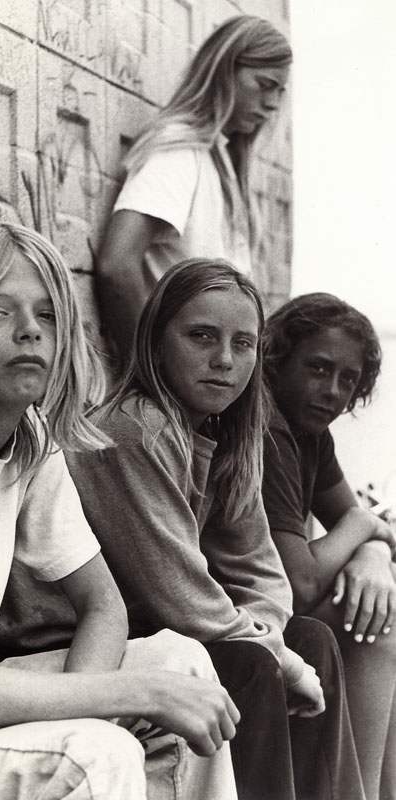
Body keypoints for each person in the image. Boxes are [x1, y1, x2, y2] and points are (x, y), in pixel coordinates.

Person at [0, 223, 240, 800]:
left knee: (178, 661)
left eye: (47, 316)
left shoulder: (27, 442)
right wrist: (121, 703)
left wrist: (92, 710)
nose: (28, 334)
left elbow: (103, 606)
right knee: (99, 755)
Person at [67, 259, 367, 800]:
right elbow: (178, 594)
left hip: (165, 627)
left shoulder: (227, 432)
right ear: (157, 341)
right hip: (85, 641)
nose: (224, 361)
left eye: (243, 343)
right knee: (250, 662)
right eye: (201, 336)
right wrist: (276, 656)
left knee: (310, 637)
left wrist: (279, 643)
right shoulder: (135, 431)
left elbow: (260, 570)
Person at [261, 292, 396, 800]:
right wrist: (364, 526)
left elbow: (361, 525)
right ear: (277, 360)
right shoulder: (269, 432)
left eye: (348, 380)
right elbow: (300, 582)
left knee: (383, 602)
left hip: (277, 605)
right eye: (318, 368)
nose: (332, 391)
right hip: (242, 616)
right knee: (378, 624)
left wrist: (374, 552)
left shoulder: (308, 432)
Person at [97, 14, 292, 360]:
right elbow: (116, 266)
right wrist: (150, 369)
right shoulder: (179, 152)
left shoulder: (220, 159)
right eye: (264, 84)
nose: (273, 104)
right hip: (178, 379)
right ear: (224, 72)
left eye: (280, 91)